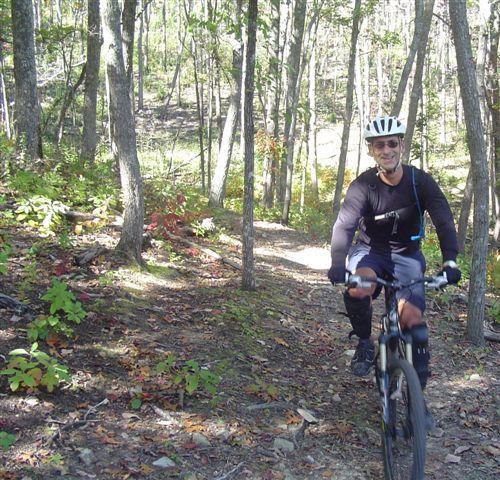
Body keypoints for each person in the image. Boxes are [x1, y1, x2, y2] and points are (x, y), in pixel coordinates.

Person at [328, 115, 461, 426]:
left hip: (407, 257)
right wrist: (337, 261)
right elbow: (345, 223)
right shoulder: (364, 184)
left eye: (391, 143)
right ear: (372, 150)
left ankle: (417, 399)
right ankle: (364, 342)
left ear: (401, 145)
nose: (386, 149)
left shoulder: (419, 181)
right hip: (371, 252)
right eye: (379, 145)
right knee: (359, 287)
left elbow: (443, 218)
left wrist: (450, 261)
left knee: (413, 322)